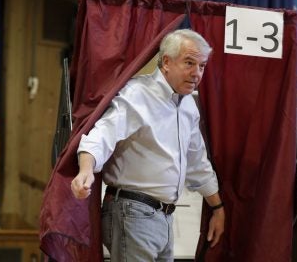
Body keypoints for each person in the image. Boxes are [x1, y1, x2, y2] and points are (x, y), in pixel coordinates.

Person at [70, 29, 225, 261]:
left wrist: (217, 207)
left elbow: (197, 163)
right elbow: (102, 134)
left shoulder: (188, 107)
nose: (197, 73)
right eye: (189, 63)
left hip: (164, 216)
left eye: (202, 66)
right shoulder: (138, 94)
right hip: (132, 212)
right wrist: (85, 170)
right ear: (166, 62)